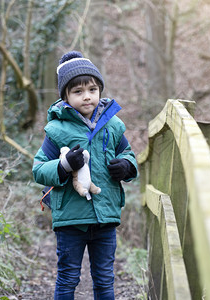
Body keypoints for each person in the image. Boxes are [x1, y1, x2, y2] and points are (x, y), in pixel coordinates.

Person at [32, 51, 138, 300]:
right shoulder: (57, 129)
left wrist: (126, 165)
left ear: (100, 90)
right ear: (66, 96)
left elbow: (130, 154)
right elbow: (39, 169)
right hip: (70, 219)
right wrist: (64, 165)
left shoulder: (113, 126)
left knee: (104, 279)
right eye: (78, 91)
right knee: (68, 277)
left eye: (92, 89)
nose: (87, 96)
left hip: (106, 217)